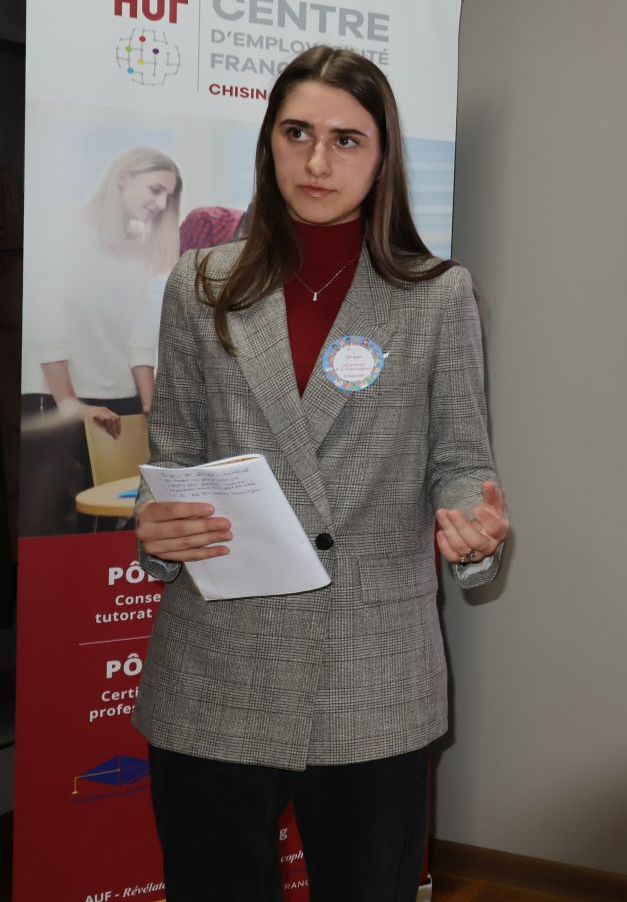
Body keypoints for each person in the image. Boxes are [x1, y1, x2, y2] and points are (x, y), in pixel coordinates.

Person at [131, 45, 509, 902]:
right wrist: (155, 532)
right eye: (297, 133)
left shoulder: (435, 295)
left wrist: (474, 531)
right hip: (216, 665)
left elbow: (461, 464)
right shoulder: (200, 284)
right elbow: (175, 456)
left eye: (346, 140)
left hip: (370, 670)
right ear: (269, 141)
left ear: (382, 158)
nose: (316, 161)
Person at [18, 146, 182, 534]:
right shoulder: (62, 234)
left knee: (121, 524)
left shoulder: (140, 249)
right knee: (64, 526)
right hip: (60, 402)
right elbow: (47, 329)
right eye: (156, 189)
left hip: (121, 404)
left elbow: (140, 335)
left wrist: (149, 404)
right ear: (122, 177)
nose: (162, 204)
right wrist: (70, 404)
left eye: (169, 196)